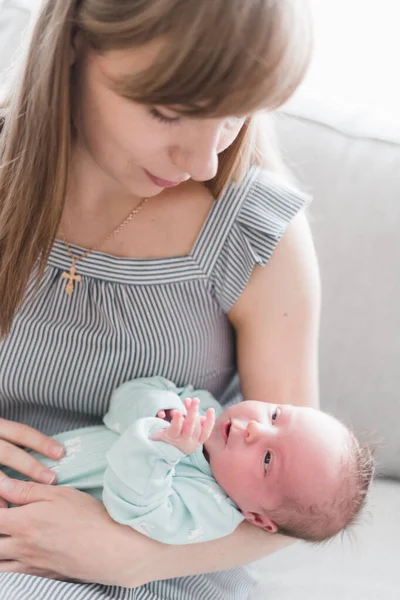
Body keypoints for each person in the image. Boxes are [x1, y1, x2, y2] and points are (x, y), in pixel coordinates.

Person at [0, 0, 352, 598]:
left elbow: (295, 504)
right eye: (168, 114)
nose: (203, 160)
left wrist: (128, 557)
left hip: (161, 556)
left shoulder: (254, 235)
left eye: (235, 116)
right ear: (77, 44)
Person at [4, 377, 373, 546]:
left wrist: (166, 446)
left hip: (26, 521)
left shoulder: (209, 511)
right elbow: (123, 400)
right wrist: (161, 410)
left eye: (266, 460)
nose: (255, 430)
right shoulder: (205, 408)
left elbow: (132, 504)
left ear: (257, 517)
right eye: (276, 416)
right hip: (24, 466)